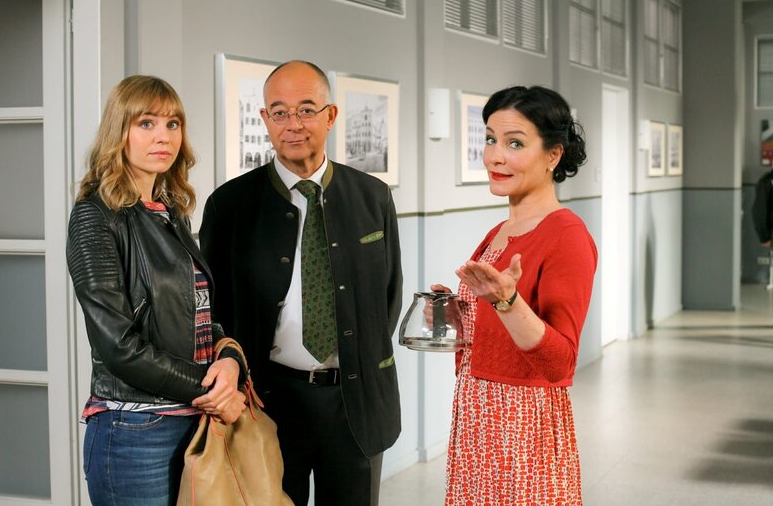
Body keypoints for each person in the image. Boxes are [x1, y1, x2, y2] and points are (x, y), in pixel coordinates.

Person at [199, 60, 403, 506]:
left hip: (353, 404)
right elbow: (213, 310)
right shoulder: (229, 205)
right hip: (267, 402)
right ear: (265, 121)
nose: (293, 125)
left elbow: (387, 297)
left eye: (307, 110)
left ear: (330, 116)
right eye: (280, 112)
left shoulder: (372, 196)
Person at [67, 75, 247, 505]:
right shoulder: (96, 217)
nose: (163, 137)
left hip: (191, 422)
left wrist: (230, 358)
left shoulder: (169, 212)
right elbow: (118, 346)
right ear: (119, 131)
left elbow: (200, 314)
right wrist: (213, 390)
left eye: (172, 124)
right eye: (146, 123)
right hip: (134, 434)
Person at [431, 85, 597, 505]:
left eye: (515, 143)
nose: (495, 156)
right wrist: (458, 312)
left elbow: (560, 361)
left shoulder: (567, 235)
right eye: (490, 139)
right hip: (478, 412)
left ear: (553, 155)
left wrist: (507, 301)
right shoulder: (498, 232)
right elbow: (494, 330)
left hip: (522, 423)